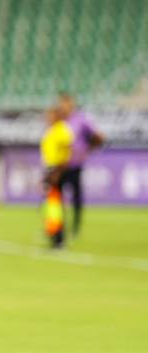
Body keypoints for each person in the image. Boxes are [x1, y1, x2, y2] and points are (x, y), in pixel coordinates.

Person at [57, 93, 106, 236]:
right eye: (61, 103)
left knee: (76, 196)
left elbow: (97, 136)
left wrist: (87, 150)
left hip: (74, 164)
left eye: (65, 103)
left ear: (71, 104)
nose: (63, 106)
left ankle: (75, 227)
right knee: (57, 197)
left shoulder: (81, 120)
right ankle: (59, 226)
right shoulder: (59, 120)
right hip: (59, 165)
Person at [40, 107, 74, 248]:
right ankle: (53, 232)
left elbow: (67, 150)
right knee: (52, 203)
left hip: (57, 169)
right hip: (50, 168)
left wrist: (57, 172)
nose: (47, 118)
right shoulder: (52, 130)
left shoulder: (62, 130)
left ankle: (58, 237)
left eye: (50, 116)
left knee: (56, 203)